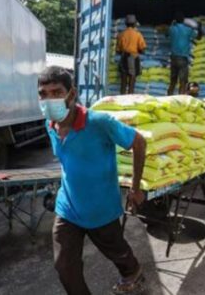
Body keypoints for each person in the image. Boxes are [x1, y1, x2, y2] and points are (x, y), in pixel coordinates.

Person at [38, 66, 147, 295]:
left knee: (118, 252)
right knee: (64, 266)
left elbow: (139, 142)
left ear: (72, 93)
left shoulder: (99, 122)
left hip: (101, 208)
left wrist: (135, 189)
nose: (49, 99)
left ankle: (133, 272)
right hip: (67, 207)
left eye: (56, 92)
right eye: (43, 94)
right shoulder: (50, 125)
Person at [168, 12, 202, 95]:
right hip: (183, 58)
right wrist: (200, 28)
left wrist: (172, 24)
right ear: (183, 20)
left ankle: (168, 96)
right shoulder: (188, 30)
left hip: (173, 57)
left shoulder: (172, 28)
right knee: (183, 81)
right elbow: (198, 37)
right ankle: (181, 98)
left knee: (173, 81)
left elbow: (166, 34)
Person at [117, 14, 146, 95]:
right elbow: (142, 47)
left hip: (124, 57)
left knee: (123, 79)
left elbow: (118, 49)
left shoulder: (121, 34)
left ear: (126, 24)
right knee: (132, 78)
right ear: (134, 24)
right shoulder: (138, 34)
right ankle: (130, 95)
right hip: (134, 57)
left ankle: (122, 96)